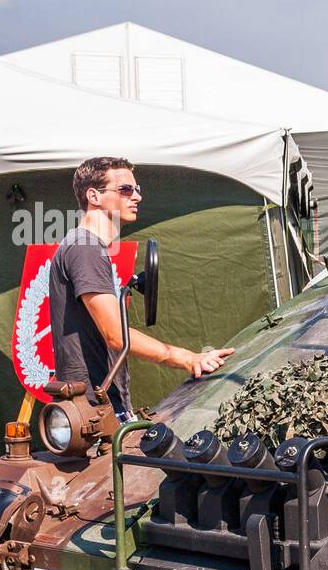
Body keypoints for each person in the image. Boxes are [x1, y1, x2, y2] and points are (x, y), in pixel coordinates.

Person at [49, 157, 233, 421]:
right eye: (125, 190)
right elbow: (115, 334)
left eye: (137, 189)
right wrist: (187, 358)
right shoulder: (85, 248)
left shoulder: (86, 246)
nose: (137, 197)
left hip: (96, 407)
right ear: (94, 196)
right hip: (94, 411)